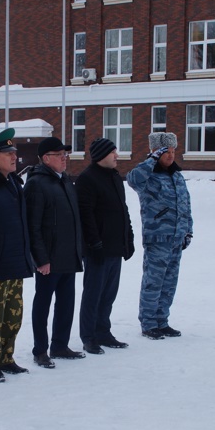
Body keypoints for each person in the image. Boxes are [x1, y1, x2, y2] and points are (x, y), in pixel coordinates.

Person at [0, 128, 36, 382]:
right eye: (8, 152)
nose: (14, 156)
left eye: (14, 152)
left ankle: (6, 357)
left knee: (13, 315)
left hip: (15, 260)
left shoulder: (13, 181)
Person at [25, 136, 85, 367]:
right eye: (60, 155)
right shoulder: (37, 183)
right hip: (48, 260)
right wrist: (41, 259)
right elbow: (34, 226)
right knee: (43, 303)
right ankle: (40, 349)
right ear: (46, 158)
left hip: (68, 256)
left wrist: (78, 251)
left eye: (65, 155)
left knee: (66, 303)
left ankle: (60, 345)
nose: (65, 159)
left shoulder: (65, 181)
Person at [127, 132, 193, 340]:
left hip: (176, 239)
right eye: (166, 152)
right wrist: (151, 160)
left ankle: (162, 321)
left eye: (173, 151)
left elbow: (185, 204)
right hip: (158, 239)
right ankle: (148, 323)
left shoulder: (176, 175)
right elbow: (132, 180)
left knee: (169, 283)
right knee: (153, 282)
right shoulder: (147, 175)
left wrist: (188, 230)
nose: (171, 156)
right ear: (155, 152)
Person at [75, 137, 135, 354]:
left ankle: (103, 331)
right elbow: (86, 216)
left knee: (109, 293)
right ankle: (89, 336)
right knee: (93, 294)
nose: (117, 156)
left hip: (115, 247)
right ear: (101, 155)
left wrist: (129, 238)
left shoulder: (115, 178)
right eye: (113, 153)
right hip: (97, 250)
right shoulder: (87, 179)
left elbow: (123, 210)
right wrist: (94, 244)